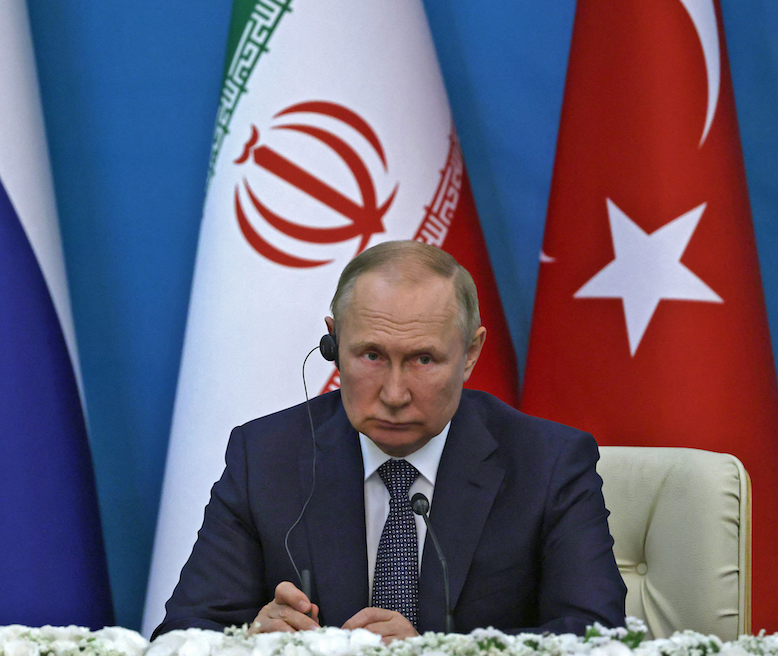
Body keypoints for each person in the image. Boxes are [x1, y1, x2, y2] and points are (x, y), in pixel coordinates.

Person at [154, 241, 626, 642]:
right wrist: (251, 642)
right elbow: (182, 634)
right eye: (372, 356)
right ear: (334, 344)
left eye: (423, 359)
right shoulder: (265, 456)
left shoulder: (549, 462)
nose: (395, 394)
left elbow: (595, 636)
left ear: (470, 354)